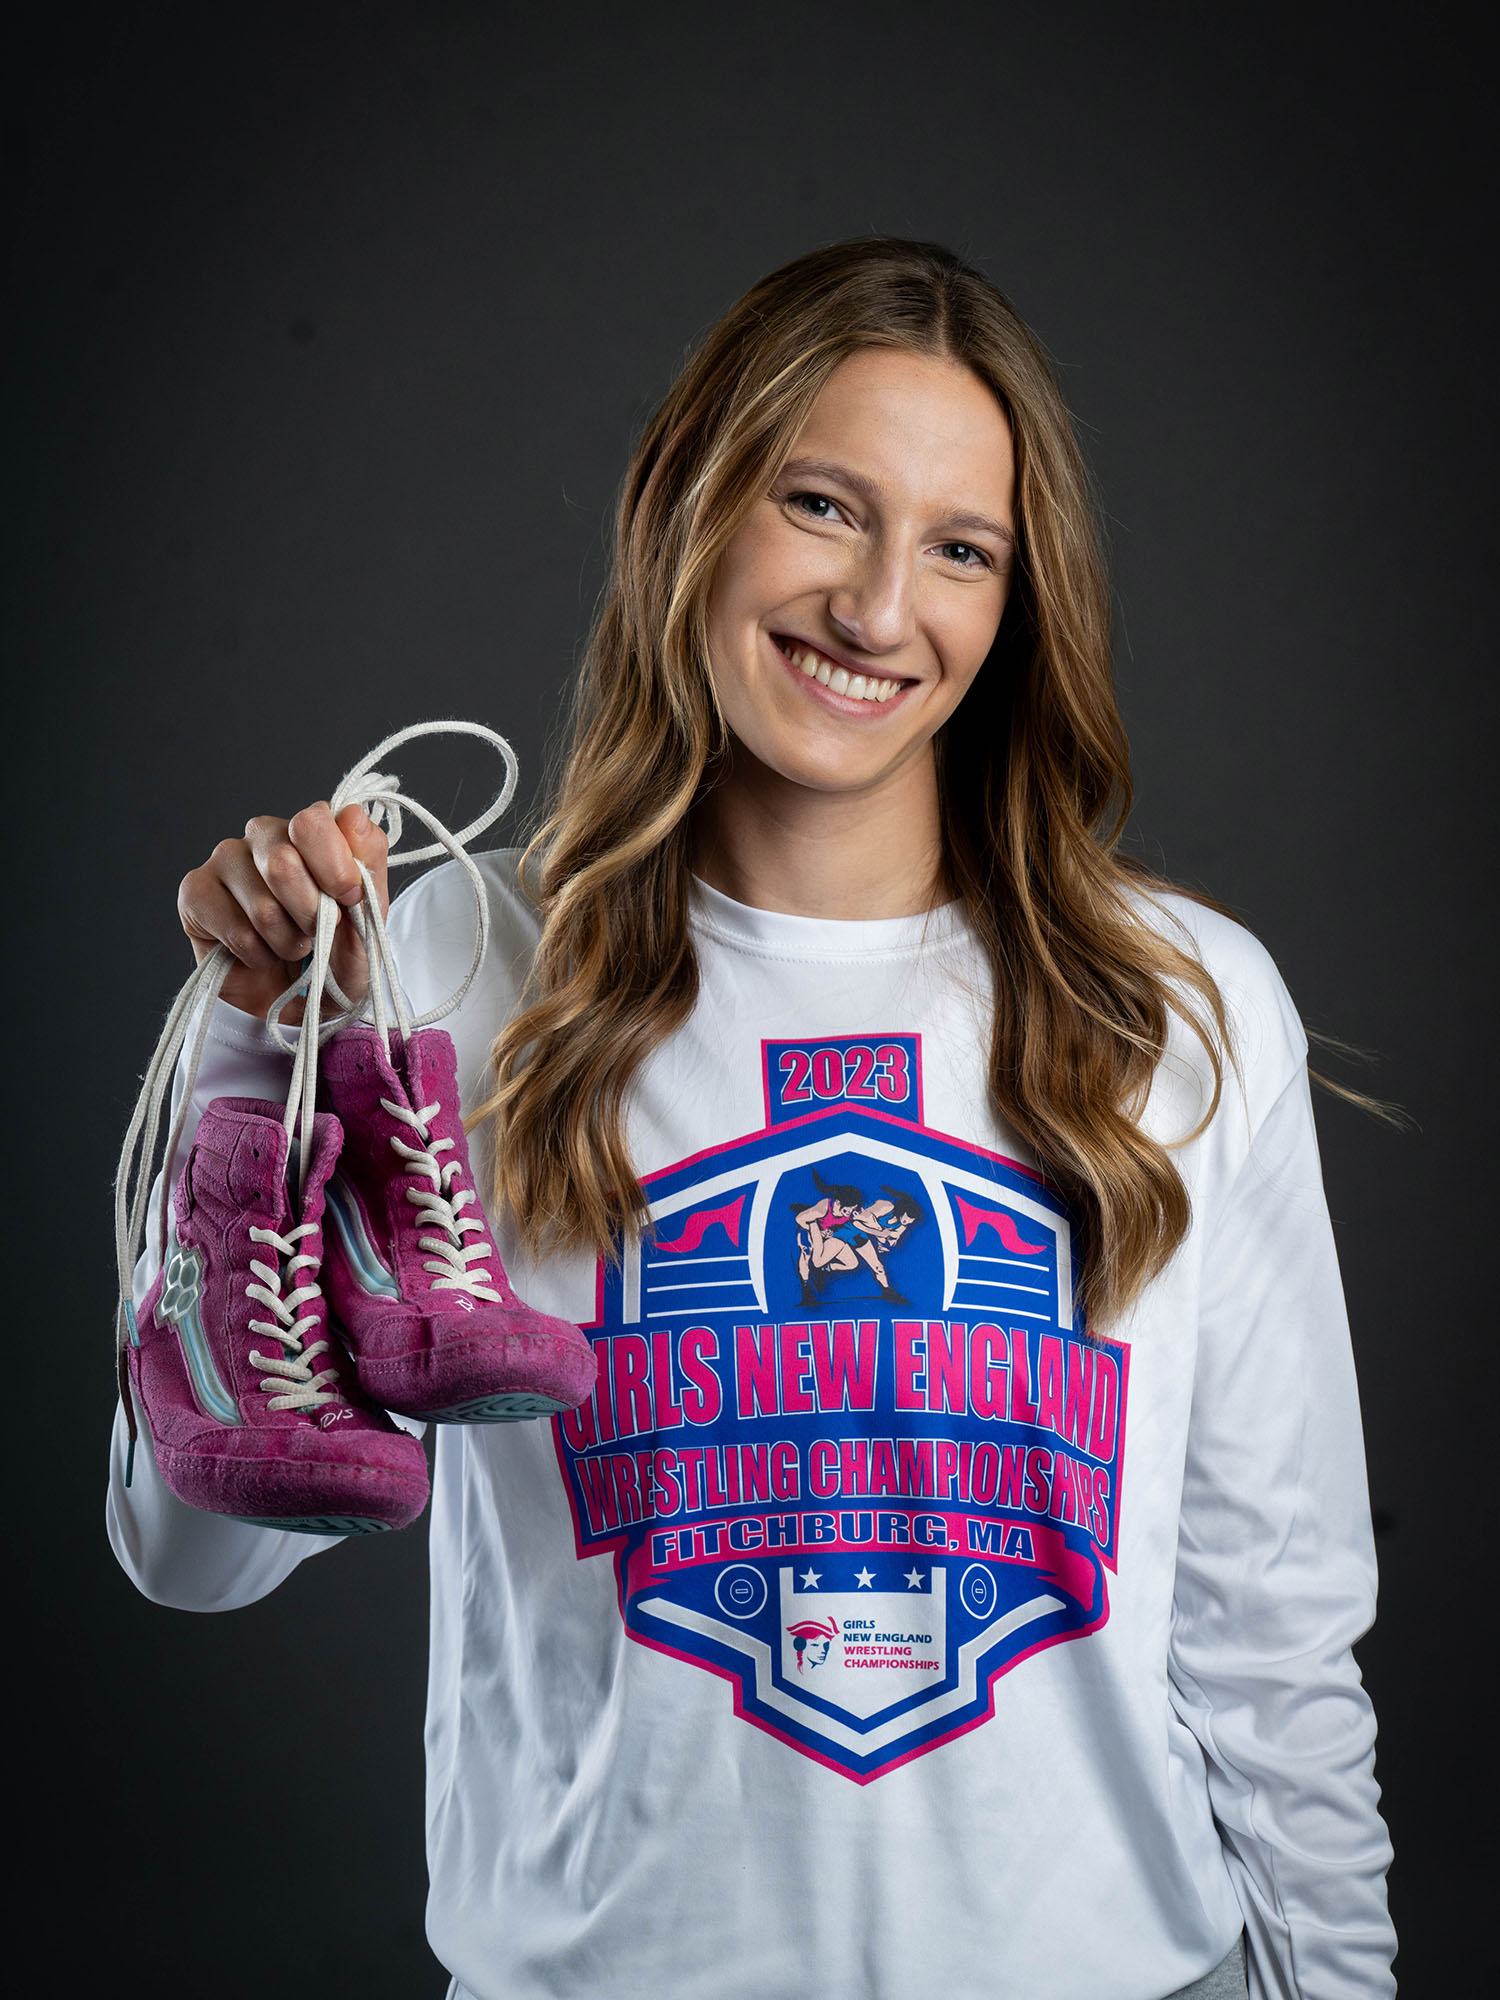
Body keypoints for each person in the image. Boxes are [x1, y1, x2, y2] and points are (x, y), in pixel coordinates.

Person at [107, 237, 1396, 1999]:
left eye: (960, 548)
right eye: (820, 504)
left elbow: (1278, 1643)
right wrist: (258, 1055)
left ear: (1016, 605)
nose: (878, 609)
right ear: (685, 501)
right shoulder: (446, 963)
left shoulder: (1180, 1001)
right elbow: (192, 1559)